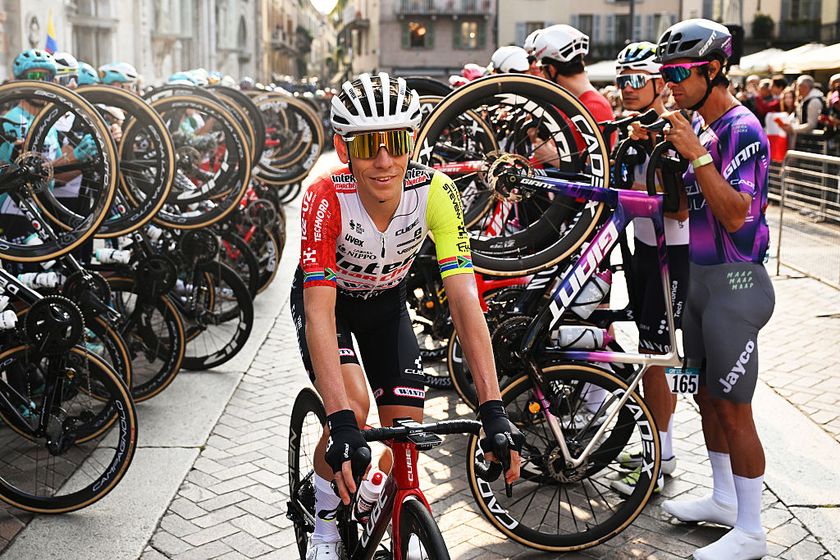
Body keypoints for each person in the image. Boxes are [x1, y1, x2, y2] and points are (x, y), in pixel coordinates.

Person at [291, 72, 523, 560]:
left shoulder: (435, 192)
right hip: (332, 310)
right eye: (368, 145)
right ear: (343, 146)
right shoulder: (324, 197)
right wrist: (338, 421)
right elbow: (318, 312)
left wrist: (493, 406)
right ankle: (326, 520)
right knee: (352, 412)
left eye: (395, 143)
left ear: (411, 141)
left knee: (407, 437)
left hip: (385, 308)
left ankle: (382, 499)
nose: (383, 160)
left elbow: (464, 302)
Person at [634, 18, 774, 560]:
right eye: (664, 72)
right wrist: (661, 156)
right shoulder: (699, 125)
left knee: (735, 406)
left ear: (714, 70)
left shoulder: (742, 129)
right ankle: (722, 498)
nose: (669, 81)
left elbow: (738, 215)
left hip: (737, 284)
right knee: (704, 398)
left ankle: (754, 530)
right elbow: (679, 209)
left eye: (679, 71)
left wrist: (694, 153)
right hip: (698, 283)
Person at [607, 41, 688, 499]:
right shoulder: (631, 131)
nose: (627, 88)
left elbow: (678, 210)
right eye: (622, 80)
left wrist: (653, 155)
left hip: (672, 254)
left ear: (661, 84)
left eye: (636, 79)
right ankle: (658, 448)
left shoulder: (672, 129)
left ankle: (664, 454)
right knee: (648, 347)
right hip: (641, 248)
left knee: (660, 353)